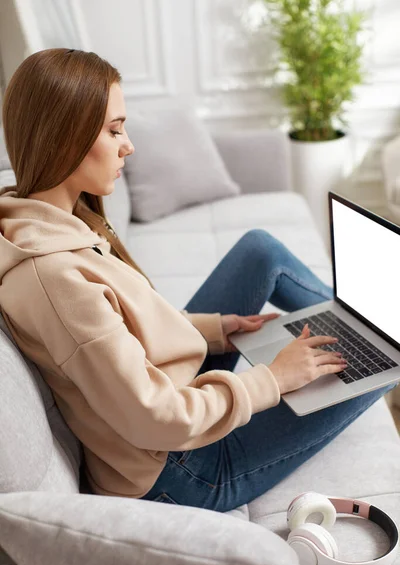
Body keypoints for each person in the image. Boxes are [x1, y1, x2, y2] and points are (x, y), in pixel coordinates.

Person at [0, 48, 395, 513]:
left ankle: (361, 323)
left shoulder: (48, 219)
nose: (128, 145)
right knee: (386, 355)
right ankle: (376, 329)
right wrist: (273, 378)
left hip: (175, 404)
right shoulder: (55, 278)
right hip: (180, 470)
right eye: (114, 130)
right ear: (64, 137)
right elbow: (154, 417)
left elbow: (124, 329)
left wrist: (215, 328)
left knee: (261, 251)